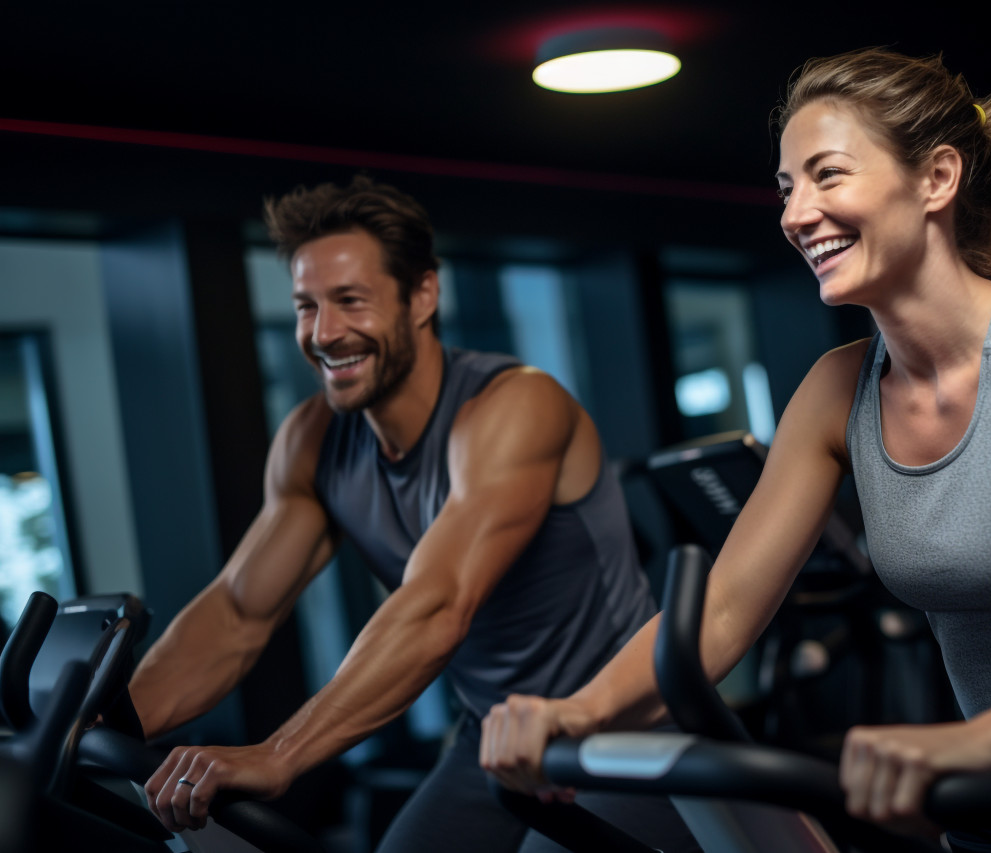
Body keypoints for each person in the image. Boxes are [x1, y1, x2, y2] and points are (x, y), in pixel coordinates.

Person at [481, 48, 991, 850]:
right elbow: (721, 609)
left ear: (937, 178)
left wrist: (979, 739)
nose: (796, 214)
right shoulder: (837, 392)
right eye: (788, 188)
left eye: (828, 175)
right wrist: (572, 711)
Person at [128, 176, 698, 853]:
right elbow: (237, 612)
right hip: (491, 736)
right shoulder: (312, 439)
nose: (324, 332)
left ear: (423, 294)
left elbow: (439, 603)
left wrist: (281, 751)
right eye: (306, 305)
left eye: (350, 301)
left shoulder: (513, 406)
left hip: (621, 728)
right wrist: (97, 723)